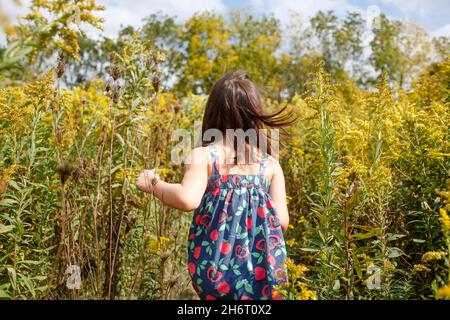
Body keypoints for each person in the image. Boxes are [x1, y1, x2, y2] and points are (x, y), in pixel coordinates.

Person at [136, 70, 296, 300]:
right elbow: (282, 221)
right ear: (255, 114)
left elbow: (187, 199)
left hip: (216, 271)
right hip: (264, 275)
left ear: (213, 112)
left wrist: (153, 184)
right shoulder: (270, 165)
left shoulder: (204, 156)